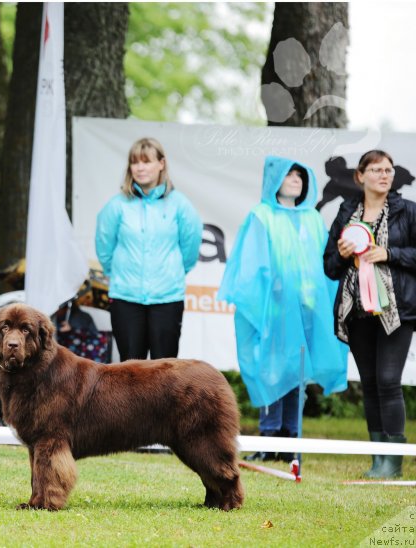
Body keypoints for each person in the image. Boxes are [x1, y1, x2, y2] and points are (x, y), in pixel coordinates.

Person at [218, 157, 348, 462]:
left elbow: (322, 263)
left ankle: (292, 440)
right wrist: (271, 293)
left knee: (297, 373)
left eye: (300, 175)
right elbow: (251, 265)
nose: (295, 180)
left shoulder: (312, 219)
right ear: (274, 179)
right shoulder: (260, 216)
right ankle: (269, 438)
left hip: (304, 311)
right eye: (288, 174)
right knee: (270, 371)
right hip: (272, 312)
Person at [324, 149, 416, 478]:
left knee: (390, 382)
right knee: (372, 383)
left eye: (388, 169)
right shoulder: (346, 212)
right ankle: (378, 459)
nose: (384, 175)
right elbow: (330, 268)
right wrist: (341, 252)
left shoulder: (408, 211)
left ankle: (393, 463)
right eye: (376, 169)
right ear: (360, 176)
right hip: (357, 310)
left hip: (397, 310)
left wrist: (389, 253)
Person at [95, 137, 202, 360]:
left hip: (167, 299)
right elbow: (104, 247)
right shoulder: (117, 205)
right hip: (126, 299)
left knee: (165, 372)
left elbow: (190, 248)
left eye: (146, 161)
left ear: (161, 164)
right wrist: (120, 275)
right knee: (131, 370)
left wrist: (171, 272)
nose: (140, 168)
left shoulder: (179, 204)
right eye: (135, 162)